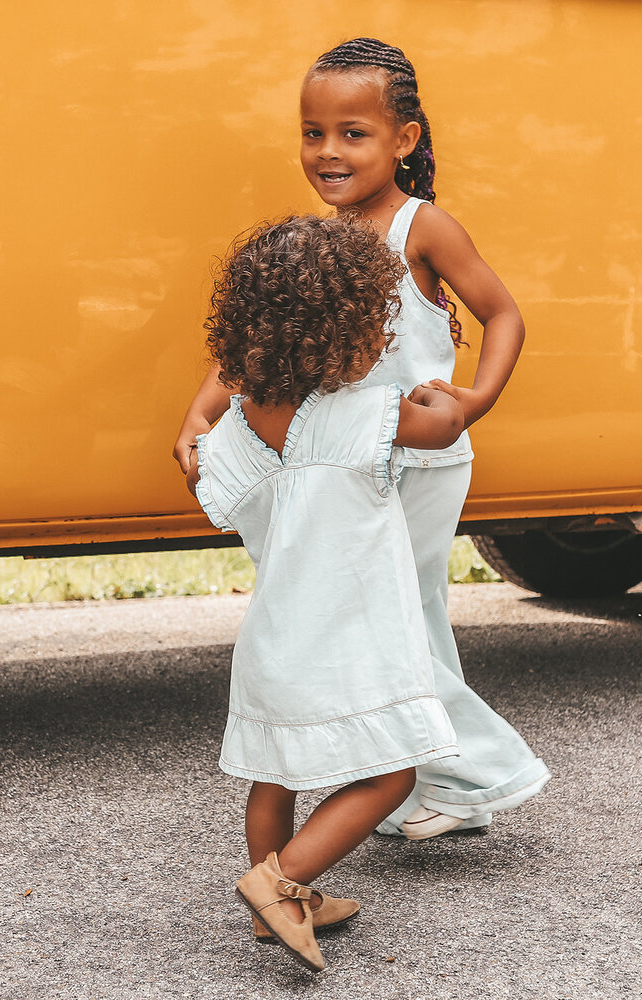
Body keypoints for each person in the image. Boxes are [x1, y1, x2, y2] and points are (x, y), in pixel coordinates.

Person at [174, 37, 550, 842]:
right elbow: (257, 342)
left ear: (404, 139)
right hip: (341, 464)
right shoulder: (322, 240)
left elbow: (505, 314)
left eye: (353, 133)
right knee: (383, 620)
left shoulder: (422, 228)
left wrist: (475, 398)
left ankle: (474, 771)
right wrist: (199, 411)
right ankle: (430, 777)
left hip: (417, 461)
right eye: (314, 132)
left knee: (392, 621)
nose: (328, 152)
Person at [186, 213, 468, 972]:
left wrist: (196, 438)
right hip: (348, 638)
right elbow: (443, 429)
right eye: (378, 321)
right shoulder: (361, 414)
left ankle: (278, 908)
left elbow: (205, 477)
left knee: (272, 771)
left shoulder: (238, 431)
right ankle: (278, 885)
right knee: (391, 773)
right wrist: (447, 394)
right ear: (343, 330)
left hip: (275, 640)